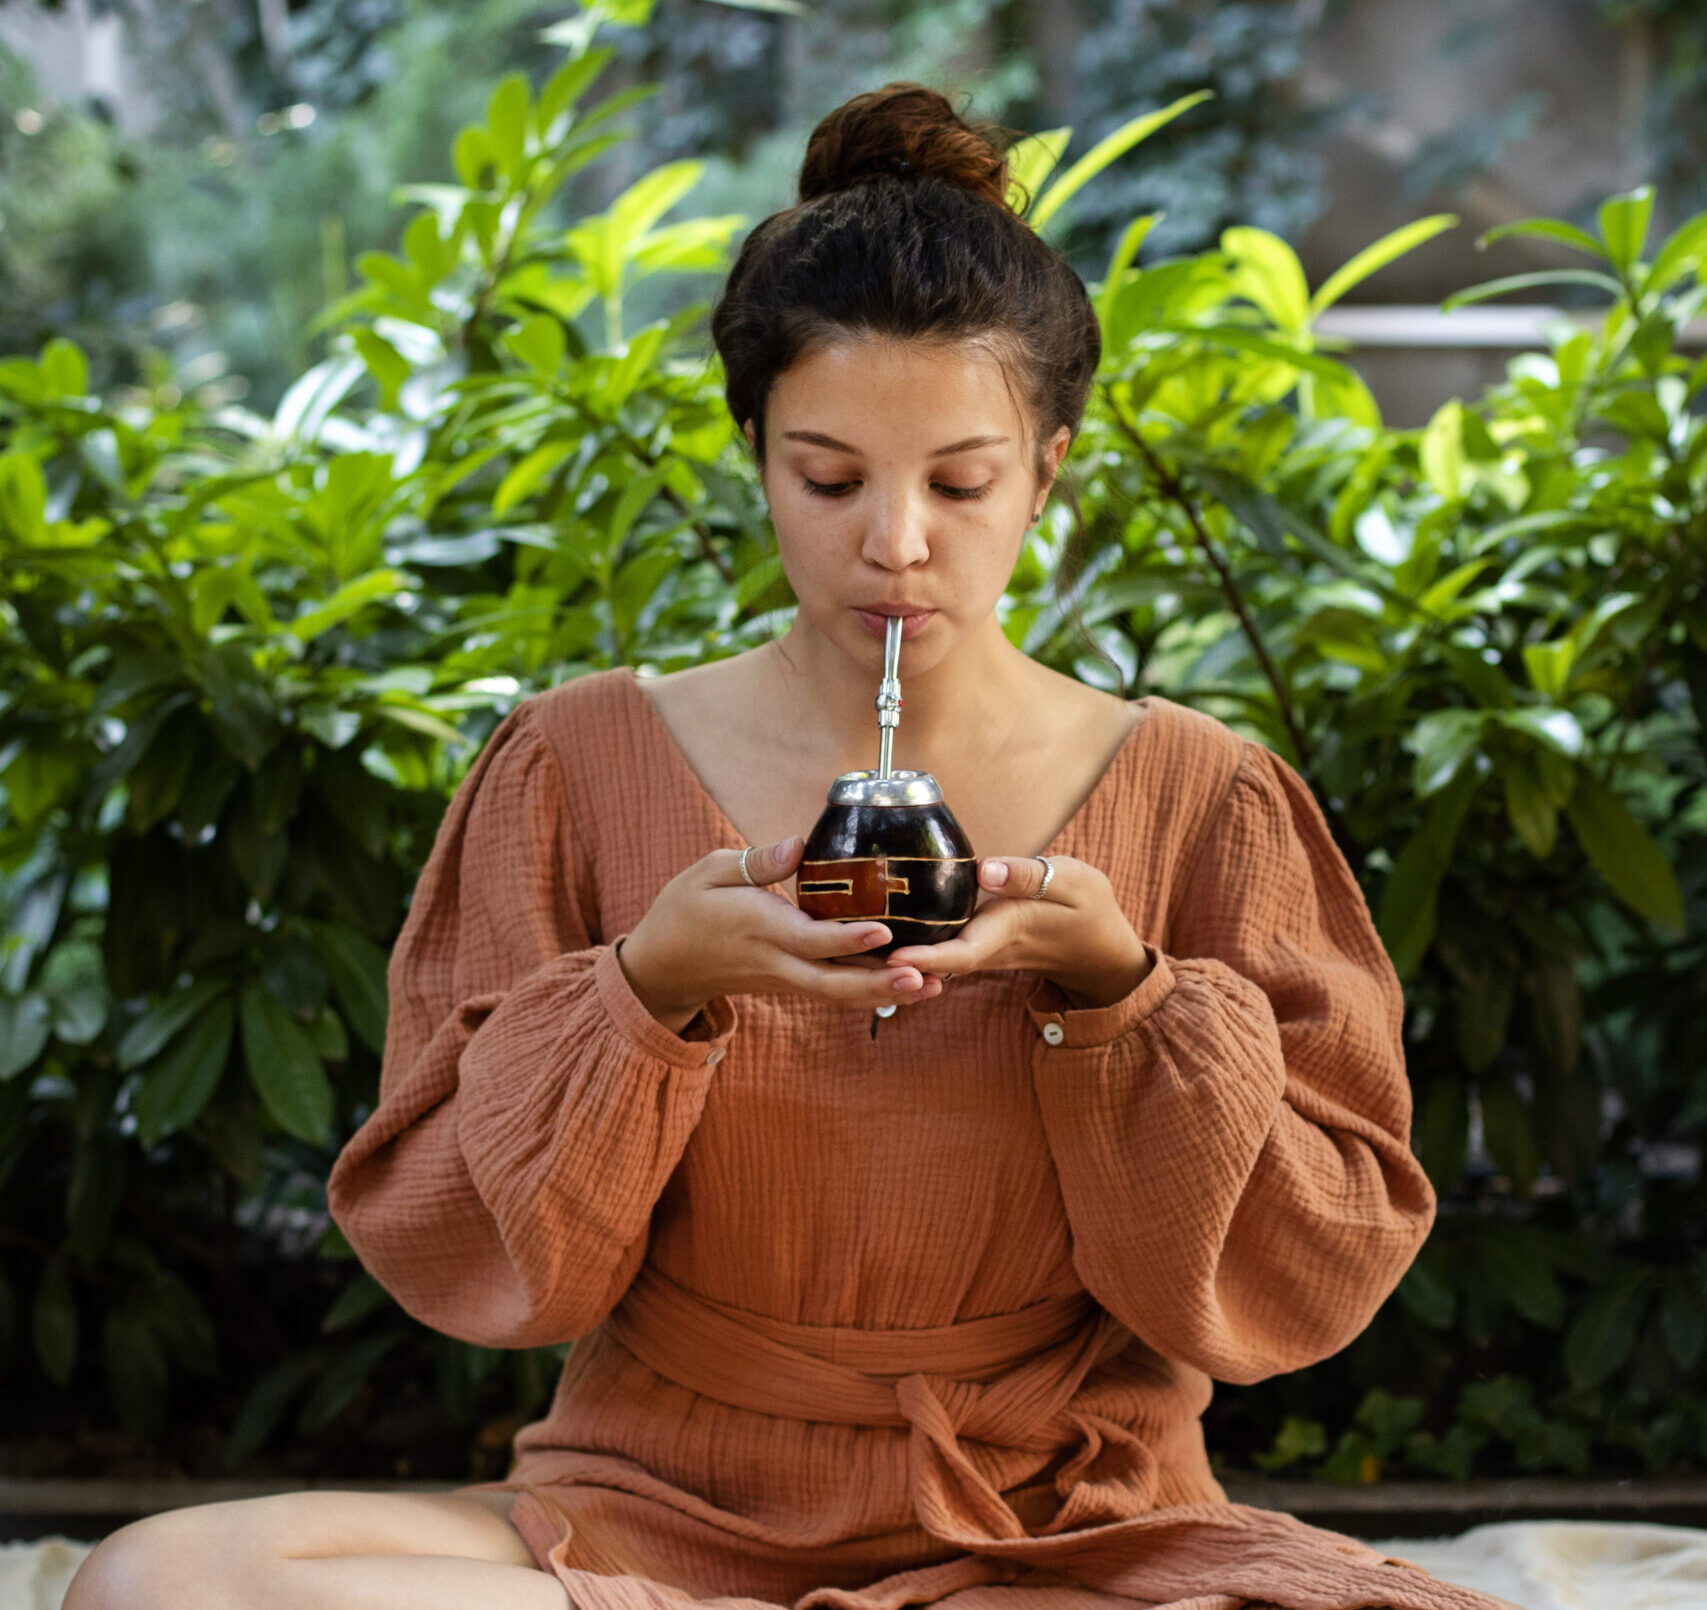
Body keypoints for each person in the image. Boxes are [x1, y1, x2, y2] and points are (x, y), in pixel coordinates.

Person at [63, 83, 1518, 1610]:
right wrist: (646, 992)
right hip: (655, 1506)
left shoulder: (1197, 790)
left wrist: (1124, 994)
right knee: (161, 1581)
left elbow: (1307, 1266)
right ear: (757, 452)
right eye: (829, 478)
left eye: (962, 482)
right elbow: (479, 1259)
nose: (896, 542)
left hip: (1066, 1520)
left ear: (1051, 468)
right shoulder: (576, 760)